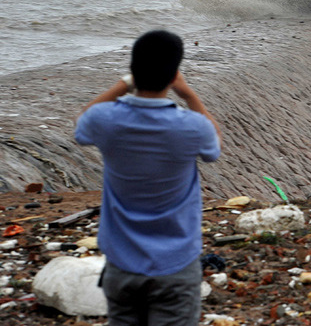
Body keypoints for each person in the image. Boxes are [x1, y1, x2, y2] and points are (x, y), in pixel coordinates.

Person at [74, 30, 222, 326]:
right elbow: (213, 147)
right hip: (176, 263)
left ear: (134, 70)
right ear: (173, 76)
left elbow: (82, 123)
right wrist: (188, 93)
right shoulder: (192, 127)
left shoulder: (107, 120)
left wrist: (124, 84)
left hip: (121, 263)